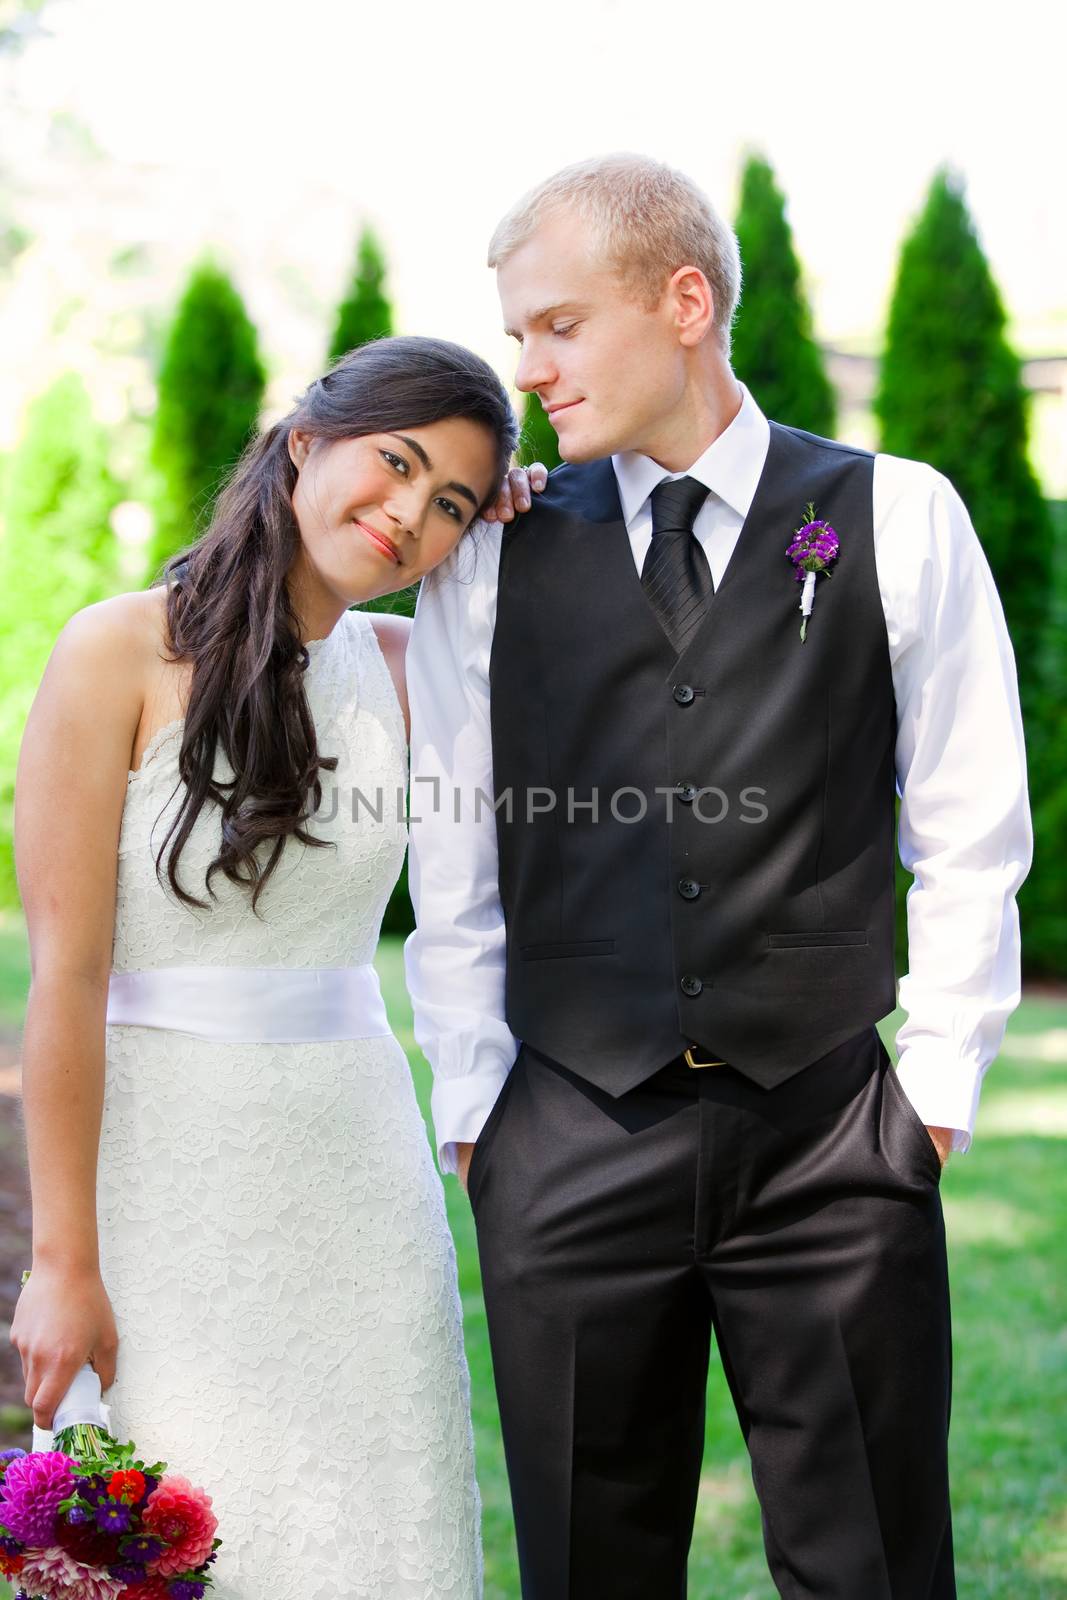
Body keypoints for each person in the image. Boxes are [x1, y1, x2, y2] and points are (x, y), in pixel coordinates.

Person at [403, 156, 1033, 1598]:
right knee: (587, 1564)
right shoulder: (489, 553)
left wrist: (926, 1099)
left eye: (557, 324)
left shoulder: (898, 515)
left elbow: (966, 825)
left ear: (682, 301)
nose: (528, 367)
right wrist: (474, 1109)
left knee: (867, 1558)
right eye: (517, 333)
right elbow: (453, 847)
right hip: (562, 1126)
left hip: (825, 1134)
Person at [11, 334, 546, 1599]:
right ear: (305, 440)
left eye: (452, 503)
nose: (409, 514)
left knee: (378, 1534)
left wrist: (527, 520)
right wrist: (63, 1261)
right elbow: (67, 978)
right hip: (164, 1180)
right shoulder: (114, 651)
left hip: (358, 1172)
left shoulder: (422, 670)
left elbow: (596, 661)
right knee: (189, 1535)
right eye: (396, 464)